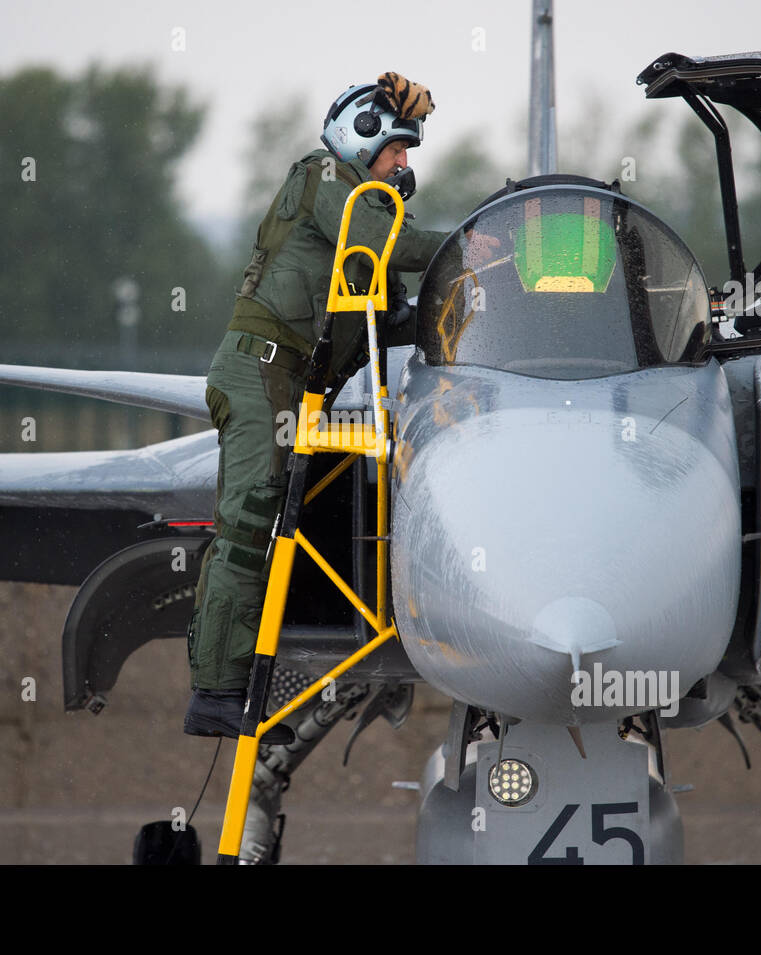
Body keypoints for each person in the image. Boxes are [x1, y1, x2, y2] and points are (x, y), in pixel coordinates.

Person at [184, 72, 452, 741]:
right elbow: (394, 245)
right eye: (396, 149)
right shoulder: (327, 181)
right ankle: (215, 692)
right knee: (246, 531)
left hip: (291, 385)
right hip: (260, 375)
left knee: (268, 536)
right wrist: (476, 244)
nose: (404, 164)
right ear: (360, 139)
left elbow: (388, 316)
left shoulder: (366, 220)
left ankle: (238, 692)